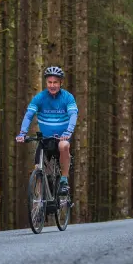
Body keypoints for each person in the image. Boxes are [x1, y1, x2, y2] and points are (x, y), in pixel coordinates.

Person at [15, 66, 78, 195]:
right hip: (45, 140)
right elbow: (28, 115)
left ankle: (64, 181)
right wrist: (22, 133)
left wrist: (68, 132)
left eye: (55, 82)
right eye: (50, 82)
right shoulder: (39, 98)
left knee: (64, 145)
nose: (52, 85)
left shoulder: (68, 97)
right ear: (46, 83)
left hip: (62, 138)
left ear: (61, 82)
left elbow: (73, 115)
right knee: (38, 169)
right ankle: (39, 200)